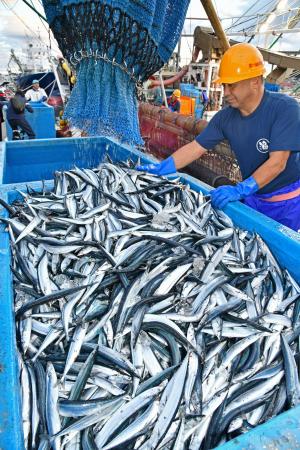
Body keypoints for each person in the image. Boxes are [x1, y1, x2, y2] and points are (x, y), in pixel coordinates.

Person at [137, 43, 300, 232]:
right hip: (253, 199)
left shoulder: (285, 109)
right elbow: (195, 148)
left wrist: (240, 189)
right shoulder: (225, 117)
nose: (226, 92)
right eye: (224, 85)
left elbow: (278, 163)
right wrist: (165, 166)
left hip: (288, 204)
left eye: (232, 85)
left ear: (255, 81)